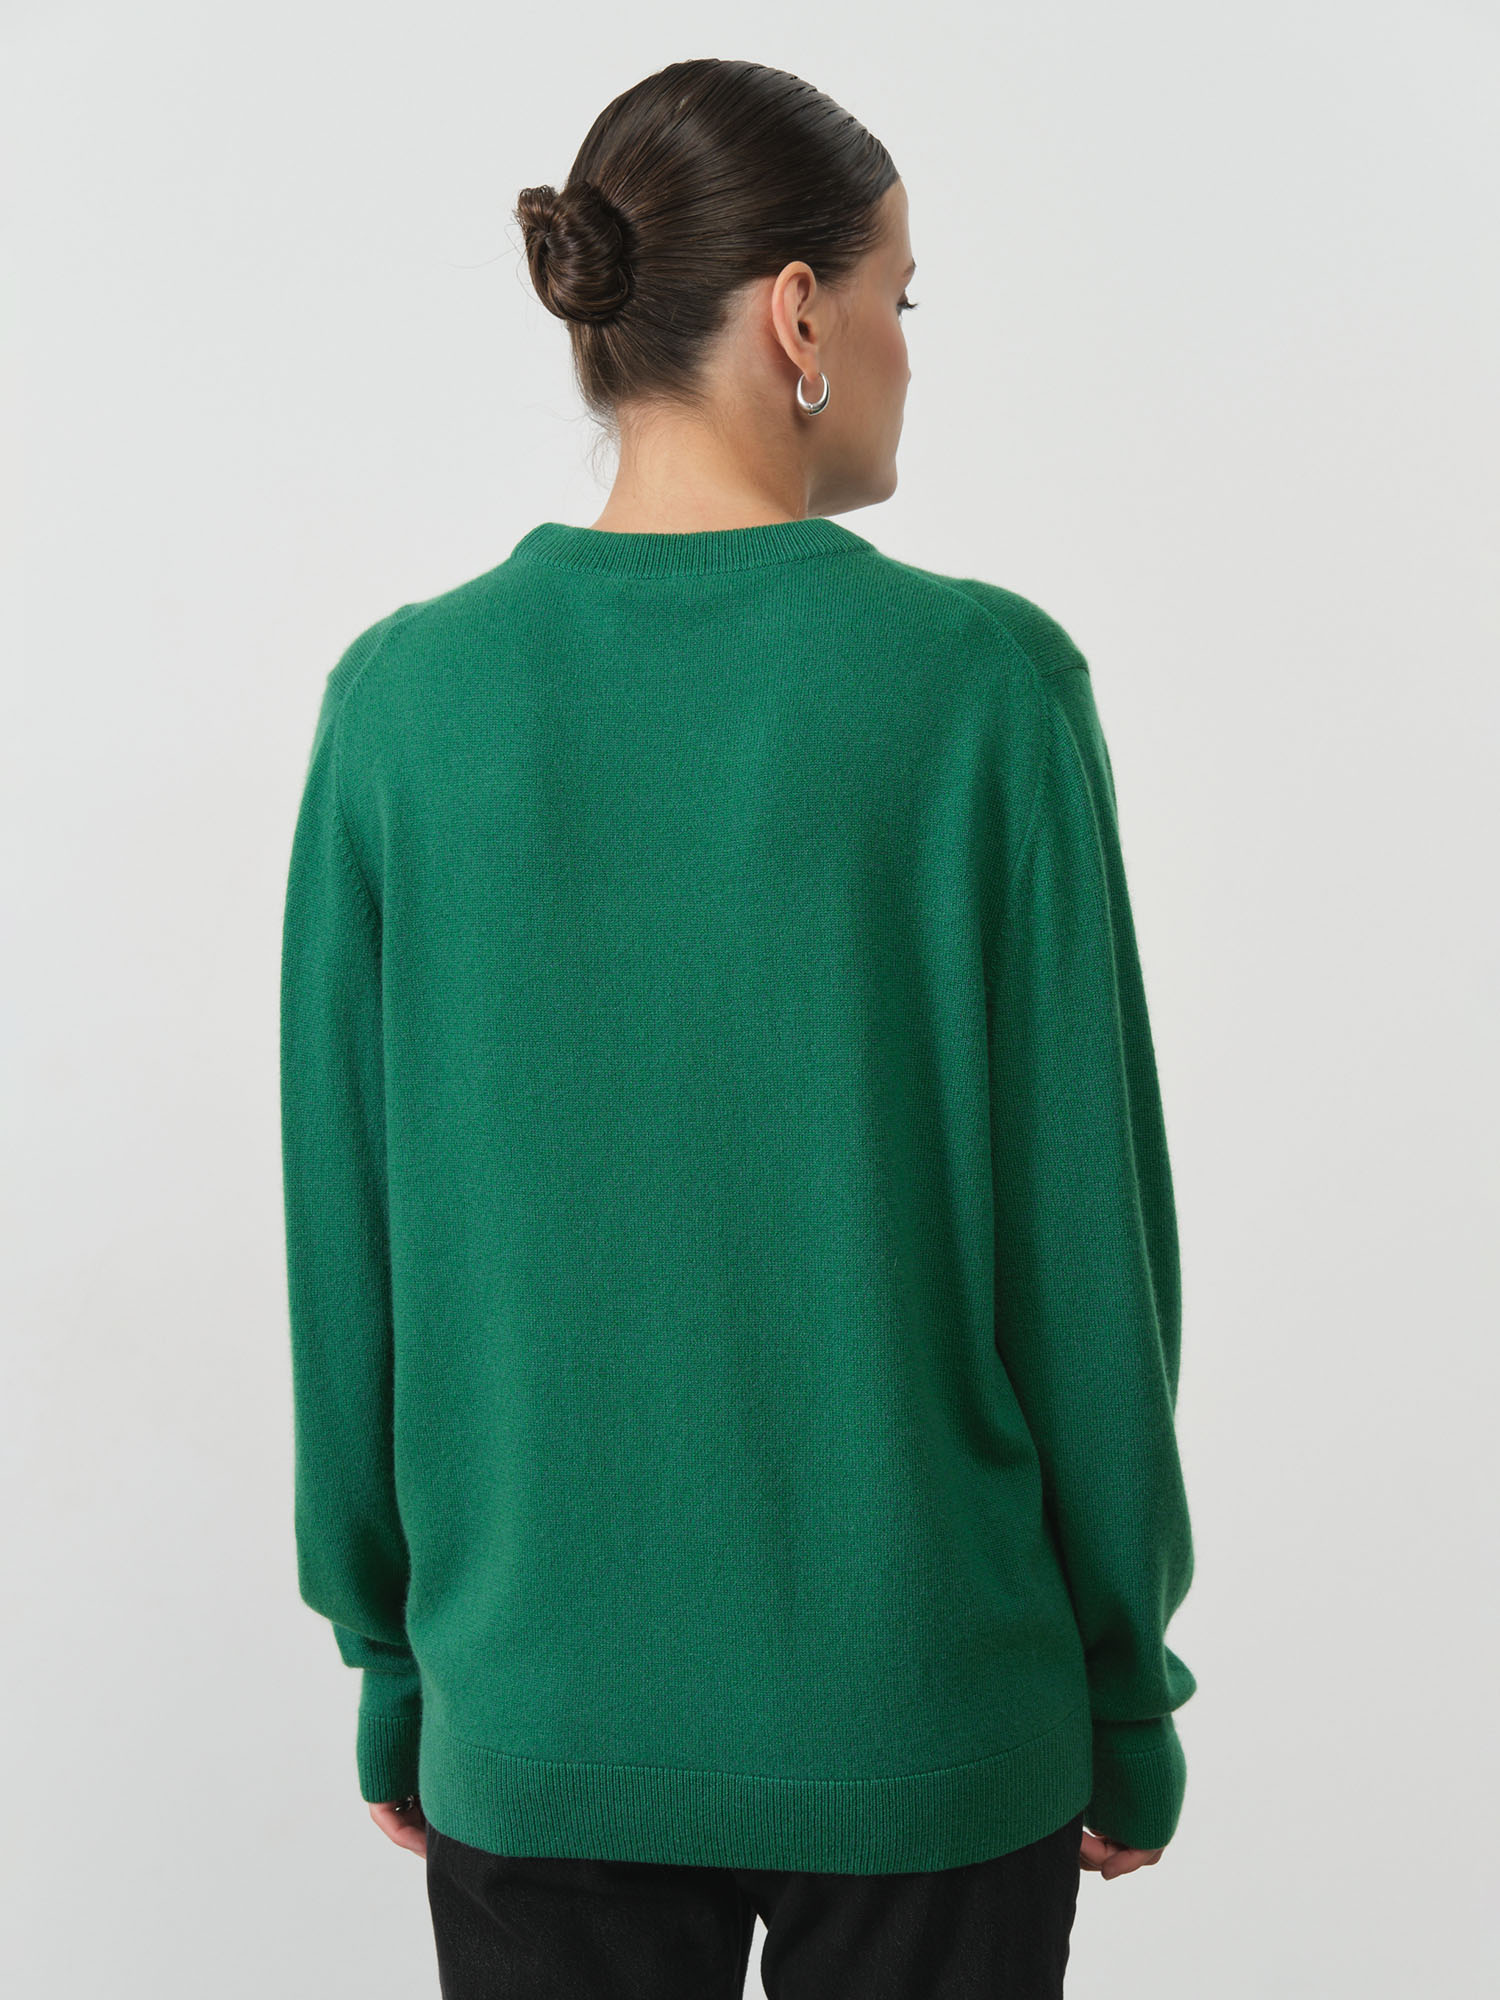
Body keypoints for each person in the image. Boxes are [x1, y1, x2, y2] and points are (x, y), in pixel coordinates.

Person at [279, 55, 1198, 2000]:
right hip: (929, 1711)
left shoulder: (402, 710)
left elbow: (347, 1251)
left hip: (537, 1708)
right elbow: (1087, 1260)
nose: (906, 351)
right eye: (898, 298)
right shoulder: (986, 693)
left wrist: (396, 1666)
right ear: (799, 315)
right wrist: (1125, 1687)